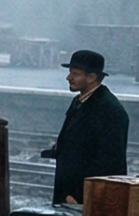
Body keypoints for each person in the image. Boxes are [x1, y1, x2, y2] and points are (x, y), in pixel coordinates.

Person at [43, 49, 128, 205]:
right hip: (71, 190)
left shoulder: (108, 109)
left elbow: (109, 160)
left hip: (89, 197)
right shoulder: (81, 100)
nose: (69, 77)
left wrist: (79, 195)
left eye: (75, 74)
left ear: (91, 77)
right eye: (70, 72)